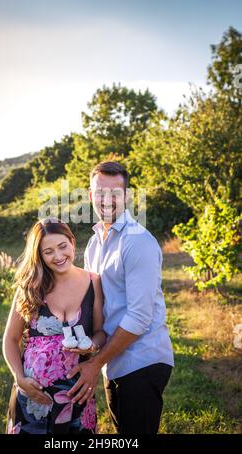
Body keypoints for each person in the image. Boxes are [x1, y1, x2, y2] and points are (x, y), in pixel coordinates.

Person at [66, 161, 174, 435]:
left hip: (142, 360)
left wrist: (95, 363)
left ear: (126, 196)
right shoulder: (94, 244)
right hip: (113, 362)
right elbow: (95, 303)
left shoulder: (138, 242)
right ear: (90, 196)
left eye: (115, 193)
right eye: (100, 192)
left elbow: (139, 318)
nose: (107, 200)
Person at [2, 218, 106, 434]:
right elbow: (10, 339)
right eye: (48, 251)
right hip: (31, 397)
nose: (58, 256)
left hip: (76, 394)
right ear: (39, 255)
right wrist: (20, 379)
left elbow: (100, 333)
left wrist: (91, 348)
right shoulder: (30, 287)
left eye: (62, 247)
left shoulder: (93, 281)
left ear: (72, 242)